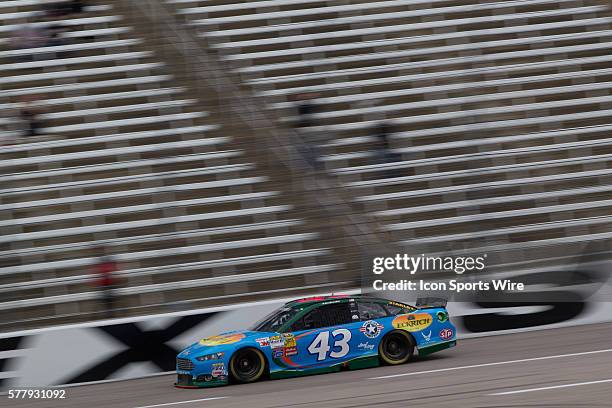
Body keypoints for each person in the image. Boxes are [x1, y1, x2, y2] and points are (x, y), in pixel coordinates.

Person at [92, 247, 119, 318]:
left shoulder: (107, 265)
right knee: (106, 300)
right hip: (105, 286)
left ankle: (109, 313)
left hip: (109, 285)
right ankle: (108, 313)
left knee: (108, 300)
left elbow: (112, 274)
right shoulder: (102, 265)